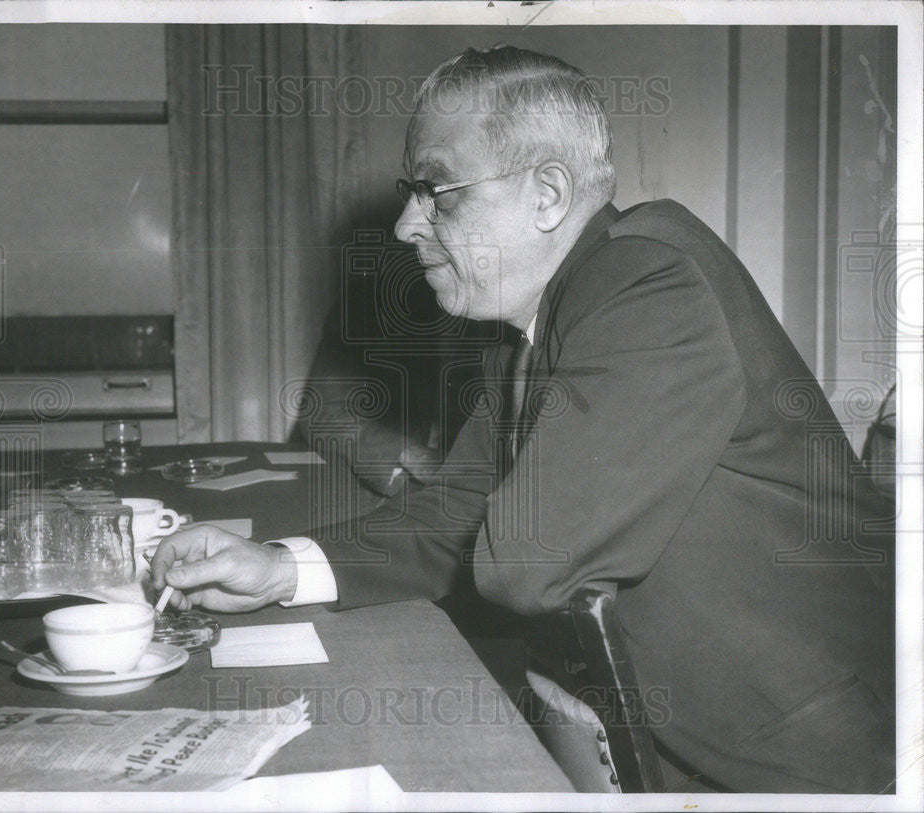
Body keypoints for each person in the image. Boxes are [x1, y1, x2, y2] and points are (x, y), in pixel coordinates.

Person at [152, 46, 894, 793]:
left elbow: (525, 564)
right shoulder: (537, 321)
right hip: (693, 735)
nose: (409, 222)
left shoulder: (645, 281)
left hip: (821, 761)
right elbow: (457, 511)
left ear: (546, 194)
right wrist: (278, 566)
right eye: (412, 190)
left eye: (440, 190)